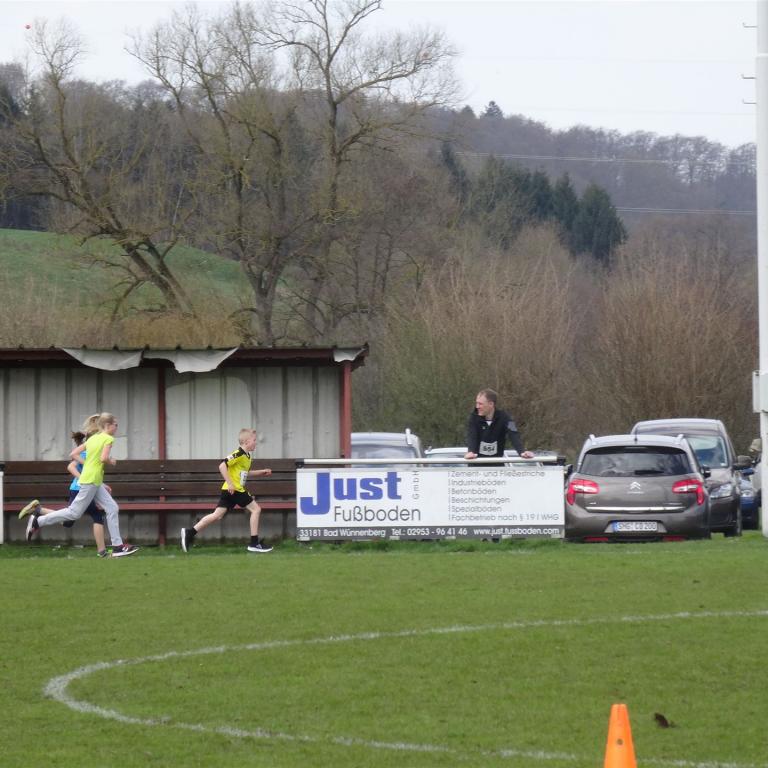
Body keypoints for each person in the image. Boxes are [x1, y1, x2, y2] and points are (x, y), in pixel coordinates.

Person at [19, 412, 139, 558]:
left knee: (112, 508)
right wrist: (111, 461)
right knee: (73, 513)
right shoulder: (108, 438)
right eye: (116, 425)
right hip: (91, 480)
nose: (117, 427)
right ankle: (39, 521)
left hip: (93, 480)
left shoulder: (94, 438)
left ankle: (117, 547)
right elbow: (103, 458)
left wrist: (88, 464)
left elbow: (73, 453)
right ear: (108, 425)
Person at [180, 428, 273, 554]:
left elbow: (245, 473)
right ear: (246, 442)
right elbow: (222, 465)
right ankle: (254, 543)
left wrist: (261, 472)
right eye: (254, 440)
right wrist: (230, 483)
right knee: (256, 510)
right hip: (235, 489)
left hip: (230, 490)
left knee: (217, 515)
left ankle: (189, 532)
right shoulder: (238, 453)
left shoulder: (247, 456)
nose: (256, 442)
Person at [465, 388, 534, 461]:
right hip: (476, 464)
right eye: (476, 403)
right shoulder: (473, 418)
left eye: (480, 404)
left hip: (497, 464)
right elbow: (471, 436)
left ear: (491, 404)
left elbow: (514, 433)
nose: (477, 406)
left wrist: (522, 451)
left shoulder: (506, 417)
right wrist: (471, 452)